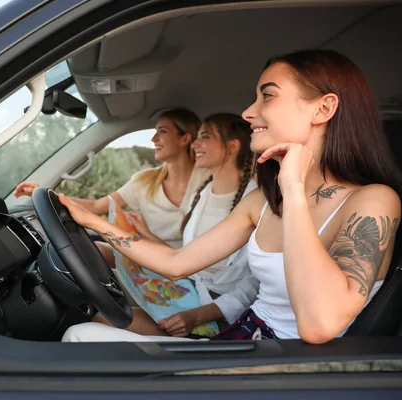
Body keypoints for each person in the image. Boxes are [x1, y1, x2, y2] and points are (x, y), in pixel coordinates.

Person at [60, 49, 402, 344]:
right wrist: (89, 220)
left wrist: (294, 188)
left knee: (81, 337)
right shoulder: (263, 203)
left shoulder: (373, 201)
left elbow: (319, 325)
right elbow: (176, 265)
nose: (248, 112)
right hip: (243, 340)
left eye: (267, 96)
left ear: (323, 109)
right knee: (84, 331)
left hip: (289, 367)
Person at [93, 113, 259, 337]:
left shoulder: (256, 202)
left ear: (233, 146)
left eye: (205, 137)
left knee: (101, 317)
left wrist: (195, 317)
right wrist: (146, 233)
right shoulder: (202, 194)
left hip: (213, 314)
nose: (195, 144)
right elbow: (185, 257)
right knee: (99, 301)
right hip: (186, 290)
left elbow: (253, 286)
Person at [15, 108, 210, 262]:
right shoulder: (144, 181)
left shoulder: (210, 180)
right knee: (89, 252)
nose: (153, 139)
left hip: (190, 269)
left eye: (163, 131)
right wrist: (47, 194)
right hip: (148, 259)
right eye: (155, 132)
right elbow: (97, 206)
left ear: (185, 138)